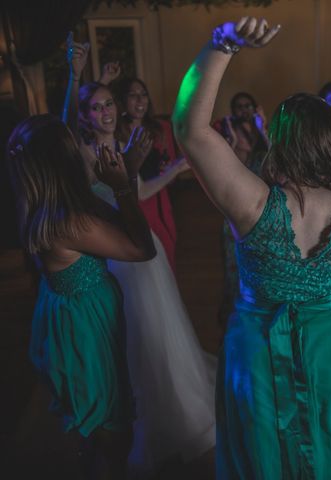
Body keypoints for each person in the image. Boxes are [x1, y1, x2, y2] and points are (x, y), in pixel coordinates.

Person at [173, 17, 331, 479]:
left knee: (264, 453)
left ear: (279, 140)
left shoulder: (253, 203)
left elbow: (190, 130)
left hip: (259, 352)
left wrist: (223, 45)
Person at [63, 37, 216, 475]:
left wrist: (172, 170)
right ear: (84, 115)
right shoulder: (85, 154)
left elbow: (140, 193)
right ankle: (133, 412)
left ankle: (176, 408)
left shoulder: (125, 144)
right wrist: (76, 74)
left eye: (109, 103)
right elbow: (67, 137)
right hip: (115, 254)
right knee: (133, 336)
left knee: (159, 331)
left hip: (143, 248)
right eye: (97, 107)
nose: (107, 111)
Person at [6, 114, 156, 479]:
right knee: (109, 423)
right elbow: (141, 248)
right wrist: (121, 187)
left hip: (73, 313)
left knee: (98, 416)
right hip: (85, 328)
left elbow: (115, 221)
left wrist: (130, 174)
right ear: (66, 159)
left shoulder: (38, 198)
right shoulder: (68, 220)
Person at [113, 76, 186, 272]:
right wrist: (176, 168)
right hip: (139, 206)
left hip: (161, 200)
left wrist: (172, 167)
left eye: (144, 95)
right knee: (151, 264)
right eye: (133, 95)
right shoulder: (117, 136)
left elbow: (167, 164)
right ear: (122, 101)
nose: (140, 100)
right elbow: (140, 190)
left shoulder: (160, 128)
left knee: (168, 255)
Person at [213, 91, 270, 328]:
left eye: (248, 105)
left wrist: (262, 128)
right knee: (233, 266)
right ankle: (232, 318)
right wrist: (233, 144)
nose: (244, 110)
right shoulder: (230, 134)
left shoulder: (260, 135)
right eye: (239, 106)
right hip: (236, 208)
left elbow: (275, 160)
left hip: (262, 208)